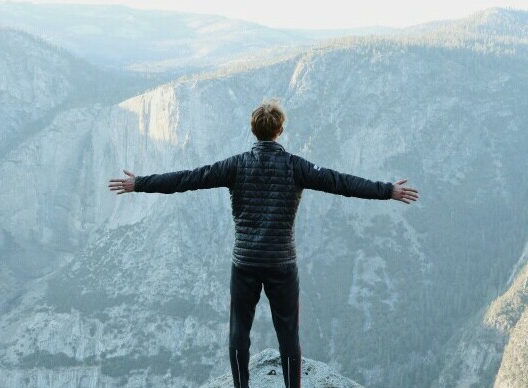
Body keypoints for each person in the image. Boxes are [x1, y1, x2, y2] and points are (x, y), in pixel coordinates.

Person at [108, 98, 419, 388]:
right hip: (282, 265)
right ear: (280, 130)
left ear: (253, 131)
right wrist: (386, 190)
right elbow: (341, 182)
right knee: (288, 334)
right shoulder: (297, 167)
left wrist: (139, 184)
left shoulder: (235, 165)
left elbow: (187, 179)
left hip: (244, 264)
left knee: (238, 331)